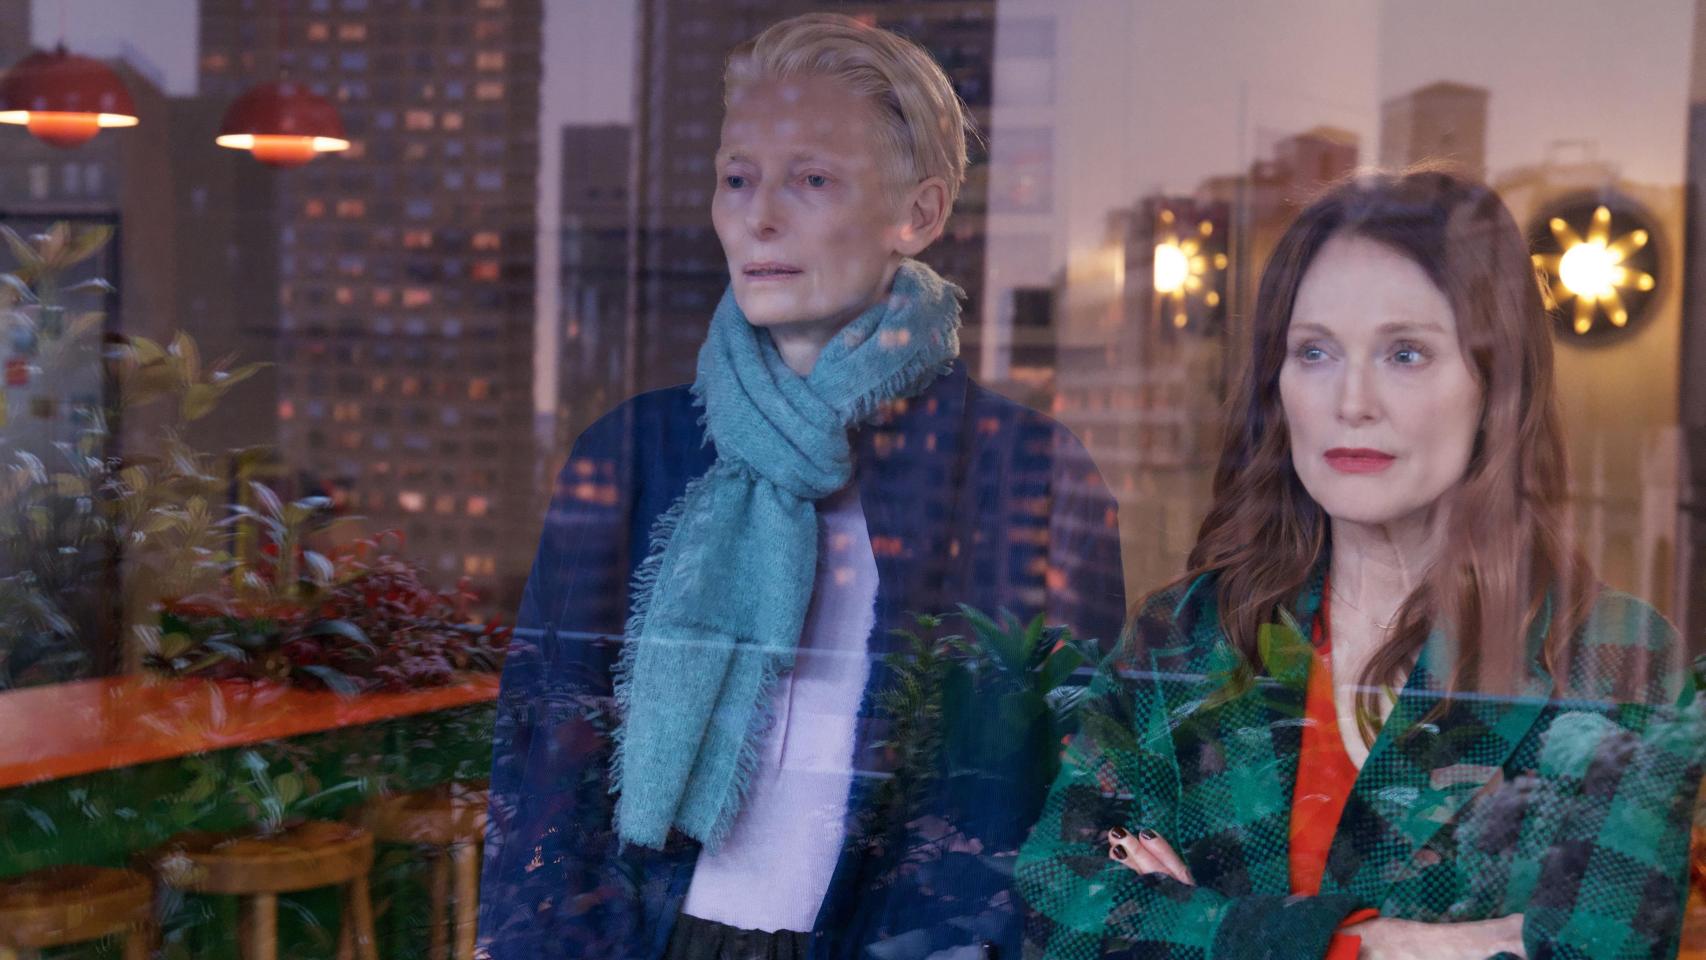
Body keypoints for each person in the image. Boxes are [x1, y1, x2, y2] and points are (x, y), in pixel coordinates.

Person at [476, 13, 1126, 960]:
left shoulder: (1019, 470)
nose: (760, 217)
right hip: (652, 937)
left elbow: (1075, 778)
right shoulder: (635, 452)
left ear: (920, 215)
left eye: (812, 179)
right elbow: (543, 748)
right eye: (737, 179)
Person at [1016, 168, 1705, 960]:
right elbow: (1062, 908)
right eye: (1314, 351)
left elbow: (1598, 949)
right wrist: (1374, 945)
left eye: (1405, 353)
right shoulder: (1187, 632)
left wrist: (1202, 925)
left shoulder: (1612, 655)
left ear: (1497, 384)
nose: (1351, 401)